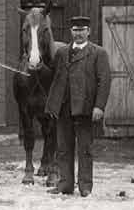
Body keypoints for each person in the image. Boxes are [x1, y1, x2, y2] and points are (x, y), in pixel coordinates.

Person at [46, 16, 111, 197]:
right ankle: (65, 185)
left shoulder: (98, 53)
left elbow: (104, 81)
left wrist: (99, 106)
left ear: (88, 32)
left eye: (82, 30)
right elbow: (53, 76)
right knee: (63, 149)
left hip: (85, 109)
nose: (78, 34)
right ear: (71, 31)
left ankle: (85, 186)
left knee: (85, 149)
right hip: (63, 108)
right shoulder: (62, 53)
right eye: (75, 30)